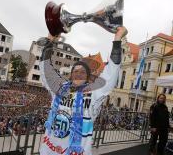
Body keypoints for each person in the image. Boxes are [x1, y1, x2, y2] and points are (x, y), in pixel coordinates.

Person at [38, 26, 127, 155]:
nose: (78, 74)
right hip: (48, 151)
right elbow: (45, 69)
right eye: (75, 71)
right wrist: (50, 40)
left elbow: (111, 73)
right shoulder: (59, 87)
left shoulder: (94, 93)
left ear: (87, 77)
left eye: (82, 72)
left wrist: (117, 39)